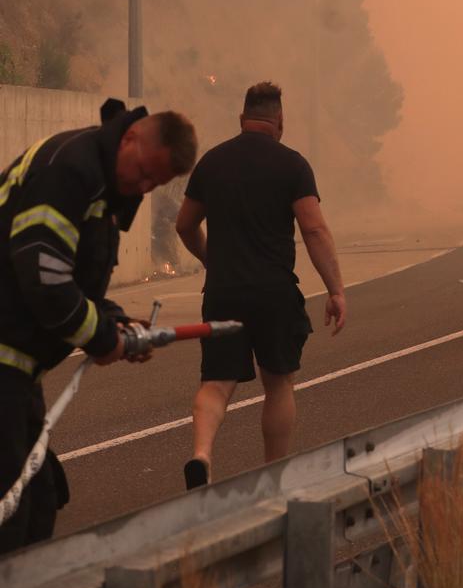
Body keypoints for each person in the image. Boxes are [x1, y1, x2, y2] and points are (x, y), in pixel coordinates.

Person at [0, 99, 197, 552]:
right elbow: (46, 278)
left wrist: (114, 320)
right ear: (129, 139)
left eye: (155, 183)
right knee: (11, 515)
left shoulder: (100, 188)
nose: (143, 187)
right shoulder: (71, 173)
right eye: (144, 172)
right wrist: (103, 337)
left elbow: (70, 283)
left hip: (16, 371)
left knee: (39, 500)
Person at [175, 82, 346, 489]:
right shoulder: (292, 165)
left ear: (242, 119)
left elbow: (184, 225)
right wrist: (336, 289)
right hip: (274, 292)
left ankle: (201, 456)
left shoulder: (212, 163)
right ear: (280, 121)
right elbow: (314, 228)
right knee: (279, 380)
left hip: (223, 291)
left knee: (215, 384)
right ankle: (272, 475)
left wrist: (210, 261)